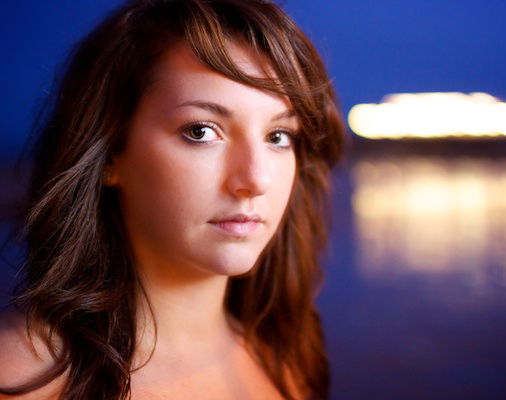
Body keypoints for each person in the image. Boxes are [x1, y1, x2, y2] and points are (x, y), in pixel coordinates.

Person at [0, 0, 344, 399]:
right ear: (111, 152)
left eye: (278, 136)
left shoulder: (287, 358)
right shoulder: (24, 383)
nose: (255, 179)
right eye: (201, 131)